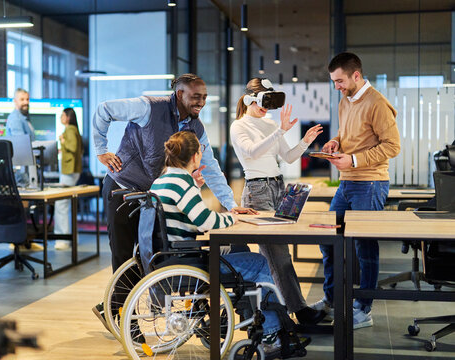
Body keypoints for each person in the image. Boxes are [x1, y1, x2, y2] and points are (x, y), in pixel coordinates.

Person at [91, 74, 257, 327]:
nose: (201, 101)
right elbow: (104, 110)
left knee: (149, 254)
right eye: (195, 96)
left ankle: (113, 309)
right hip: (122, 189)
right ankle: (126, 321)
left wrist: (232, 204)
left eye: (204, 97)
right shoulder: (149, 107)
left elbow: (210, 166)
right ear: (179, 94)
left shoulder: (195, 126)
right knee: (125, 258)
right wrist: (101, 149)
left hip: (151, 197)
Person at [150, 131, 310, 358]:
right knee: (259, 263)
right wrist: (232, 217)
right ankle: (272, 335)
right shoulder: (181, 183)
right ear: (196, 156)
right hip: (188, 263)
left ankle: (257, 323)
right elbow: (204, 222)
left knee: (239, 250)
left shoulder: (162, 180)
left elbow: (188, 220)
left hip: (169, 258)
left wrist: (195, 187)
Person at [310, 52, 400, 329]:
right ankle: (333, 299)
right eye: (334, 81)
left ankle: (364, 308)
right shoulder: (345, 101)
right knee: (328, 238)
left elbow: (392, 146)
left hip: (370, 182)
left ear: (355, 75)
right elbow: (347, 134)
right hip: (347, 182)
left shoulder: (377, 103)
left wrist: (355, 160)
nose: (336, 85)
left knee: (365, 245)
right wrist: (335, 142)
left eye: (339, 80)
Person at [230, 78, 326, 325]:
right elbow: (252, 152)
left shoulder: (270, 123)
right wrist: (280, 131)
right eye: (263, 101)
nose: (266, 107)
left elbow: (289, 157)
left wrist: (304, 141)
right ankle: (297, 311)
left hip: (278, 186)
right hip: (257, 190)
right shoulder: (238, 126)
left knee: (278, 255)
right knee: (278, 255)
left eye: (269, 102)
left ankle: (284, 311)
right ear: (250, 98)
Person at [54, 108, 84, 250]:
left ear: (68, 117)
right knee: (67, 206)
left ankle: (63, 240)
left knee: (62, 205)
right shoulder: (74, 130)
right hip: (72, 171)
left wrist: (62, 141)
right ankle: (70, 238)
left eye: (62, 115)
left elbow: (72, 147)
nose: (61, 117)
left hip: (69, 171)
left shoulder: (70, 130)